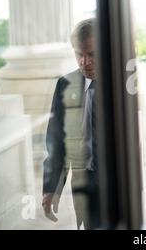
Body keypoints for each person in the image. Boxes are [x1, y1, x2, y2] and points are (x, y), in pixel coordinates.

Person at [42, 18, 100, 229]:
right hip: (83, 187)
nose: (84, 61)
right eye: (79, 54)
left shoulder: (123, 85)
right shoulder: (65, 84)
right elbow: (57, 142)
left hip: (116, 189)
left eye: (92, 54)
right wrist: (52, 188)